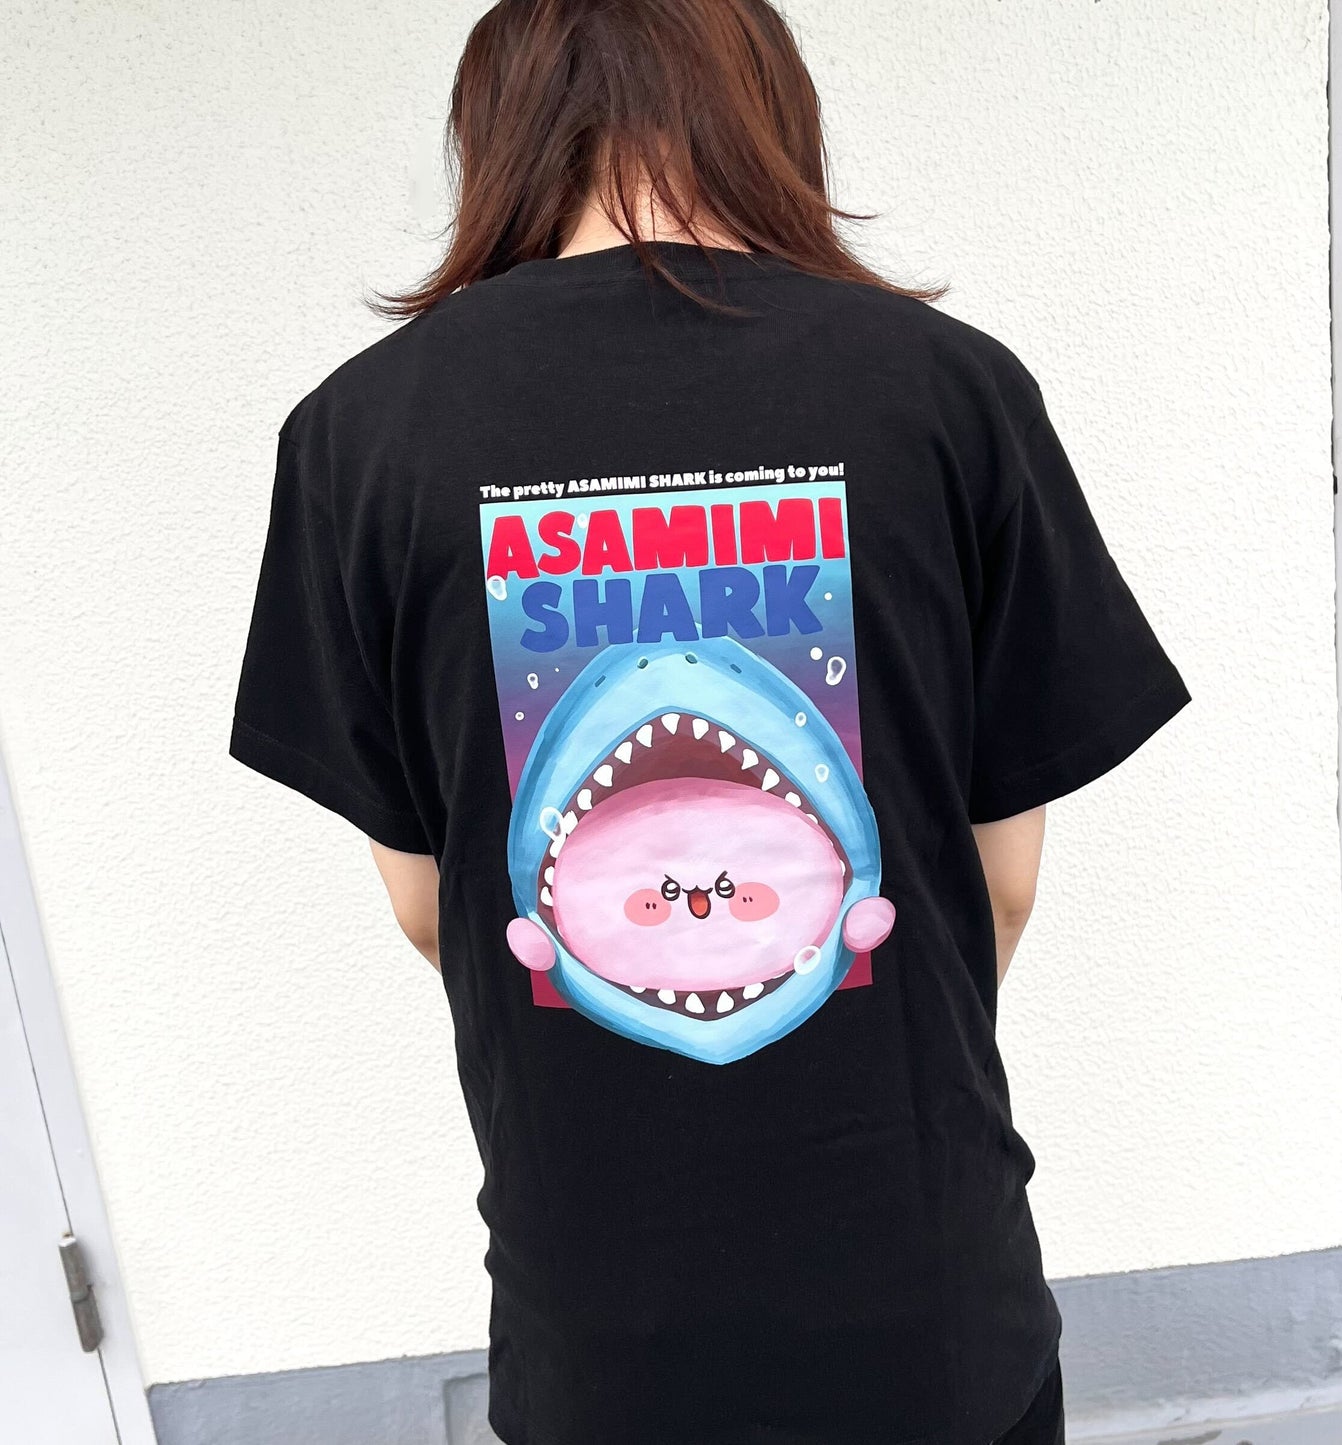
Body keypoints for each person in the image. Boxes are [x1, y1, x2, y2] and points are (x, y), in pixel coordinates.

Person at [229, 1, 1189, 1442]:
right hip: (929, 1310)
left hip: (593, 1325)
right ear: (768, 111)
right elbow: (1000, 883)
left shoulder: (358, 436)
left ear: (495, 136)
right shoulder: (949, 391)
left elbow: (430, 907)